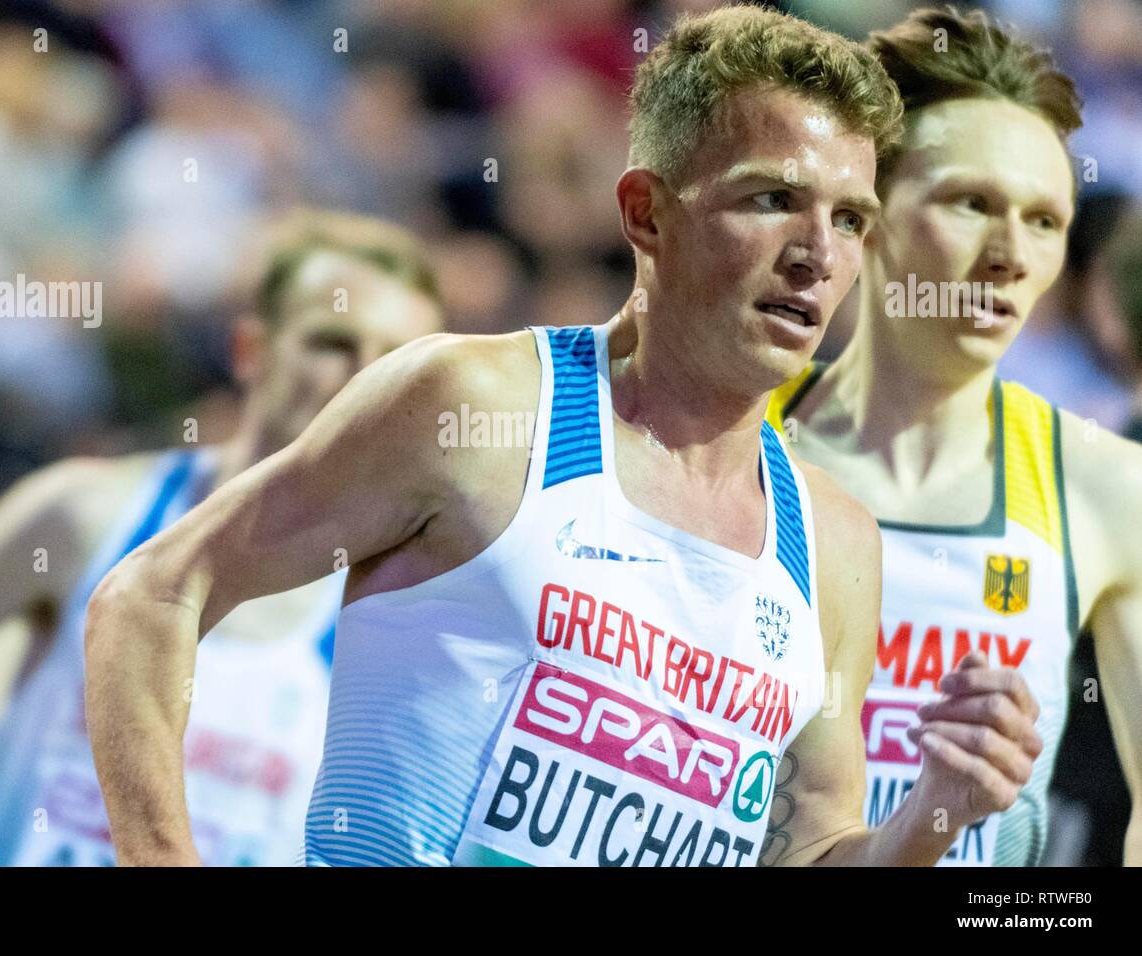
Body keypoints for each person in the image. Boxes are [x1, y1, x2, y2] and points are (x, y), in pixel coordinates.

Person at [84, 7, 1040, 868]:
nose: (817, 254)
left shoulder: (834, 542)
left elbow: (813, 850)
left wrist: (937, 815)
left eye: (850, 219)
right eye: (771, 200)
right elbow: (154, 593)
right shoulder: (474, 405)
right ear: (645, 212)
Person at [0, 210, 444, 866]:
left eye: (395, 363)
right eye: (332, 342)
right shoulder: (88, 513)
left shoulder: (399, 615)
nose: (363, 380)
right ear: (252, 350)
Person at [766, 6, 1142, 865]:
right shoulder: (736, 437)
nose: (1012, 253)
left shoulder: (1109, 490)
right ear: (867, 212)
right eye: (972, 203)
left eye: (1045, 220)